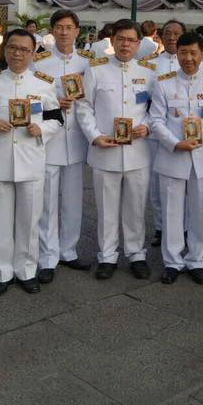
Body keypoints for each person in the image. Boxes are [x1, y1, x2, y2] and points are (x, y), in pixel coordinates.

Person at [0, 29, 63, 295]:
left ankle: (27, 270)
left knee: (29, 220)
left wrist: (43, 130)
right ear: (5, 50)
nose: (18, 54)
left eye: (24, 49)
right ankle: (2, 273)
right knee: (0, 221)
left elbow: (57, 119)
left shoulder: (43, 83)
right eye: (13, 48)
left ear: (33, 53)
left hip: (31, 159)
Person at [76, 19, 156, 280]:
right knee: (106, 208)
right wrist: (94, 136)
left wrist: (146, 127)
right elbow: (84, 106)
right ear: (112, 41)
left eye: (131, 40)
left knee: (136, 208)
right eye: (121, 39)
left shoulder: (148, 73)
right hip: (105, 150)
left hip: (137, 151)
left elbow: (156, 110)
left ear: (138, 44)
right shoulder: (96, 70)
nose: (125, 44)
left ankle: (136, 254)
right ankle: (107, 256)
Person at [149, 31, 203, 284]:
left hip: (202, 159)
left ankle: (196, 260)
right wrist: (175, 143)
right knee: (171, 211)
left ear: (202, 55)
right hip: (172, 156)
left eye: (193, 53)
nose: (188, 58)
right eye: (183, 53)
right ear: (176, 54)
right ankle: (172, 261)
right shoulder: (163, 83)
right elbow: (156, 121)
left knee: (200, 211)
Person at [32, 9, 94, 281]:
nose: (64, 32)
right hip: (50, 140)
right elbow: (30, 101)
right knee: (46, 202)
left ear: (77, 31)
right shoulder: (39, 62)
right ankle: (47, 257)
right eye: (59, 27)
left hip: (77, 139)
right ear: (52, 30)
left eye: (69, 27)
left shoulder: (89, 62)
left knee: (72, 200)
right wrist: (54, 103)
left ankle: (68, 250)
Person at [145, 19, 186, 247]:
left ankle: (185, 227)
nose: (172, 37)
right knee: (157, 184)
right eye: (167, 33)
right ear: (159, 36)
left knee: (186, 184)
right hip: (156, 133)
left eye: (177, 33)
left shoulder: (199, 65)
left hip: (185, 135)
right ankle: (161, 228)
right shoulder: (150, 65)